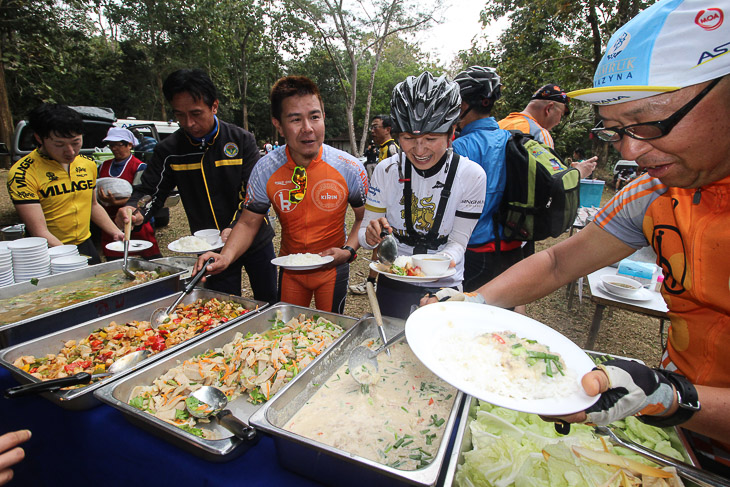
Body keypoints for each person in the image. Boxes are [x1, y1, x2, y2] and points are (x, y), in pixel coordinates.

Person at [424, 0, 730, 474]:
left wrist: (673, 396)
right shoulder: (653, 194)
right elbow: (558, 264)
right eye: (615, 131)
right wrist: (474, 302)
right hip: (690, 423)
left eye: (648, 122)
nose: (630, 149)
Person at [197, 75, 368, 313]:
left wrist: (348, 251)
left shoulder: (348, 167)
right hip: (290, 270)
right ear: (278, 124)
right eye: (295, 119)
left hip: (332, 269)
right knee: (287, 335)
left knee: (330, 334)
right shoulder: (265, 168)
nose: (308, 128)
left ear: (324, 117)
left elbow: (364, 217)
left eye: (315, 117)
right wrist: (225, 257)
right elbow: (248, 222)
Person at [118, 69, 276, 300]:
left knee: (268, 297)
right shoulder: (169, 150)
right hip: (209, 244)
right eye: (180, 115)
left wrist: (234, 225)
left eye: (196, 113)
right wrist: (136, 210)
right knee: (223, 303)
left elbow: (252, 194)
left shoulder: (240, 140)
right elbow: (150, 191)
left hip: (254, 237)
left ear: (214, 106)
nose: (189, 123)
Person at [359, 72, 486, 319]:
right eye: (408, 138)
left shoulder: (472, 176)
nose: (419, 150)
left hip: (444, 286)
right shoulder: (386, 170)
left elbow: (459, 243)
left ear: (452, 133)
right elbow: (365, 238)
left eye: (431, 138)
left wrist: (432, 265)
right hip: (394, 282)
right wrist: (372, 234)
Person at [7, 104, 123, 264]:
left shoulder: (87, 164)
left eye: (76, 142)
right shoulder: (23, 173)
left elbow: (93, 206)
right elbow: (39, 231)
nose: (70, 151)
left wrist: (115, 231)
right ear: (39, 138)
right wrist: (70, 257)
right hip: (48, 251)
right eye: (59, 145)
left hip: (85, 244)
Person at [451, 66, 524, 293]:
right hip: (513, 246)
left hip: (476, 249)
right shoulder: (513, 139)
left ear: (463, 105)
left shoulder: (460, 147)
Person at [349, 115, 401, 295]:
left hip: (389, 208)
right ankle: (372, 281)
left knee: (380, 243)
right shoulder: (382, 148)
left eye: (376, 127)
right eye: (371, 127)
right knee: (375, 241)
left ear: (388, 129)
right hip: (378, 203)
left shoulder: (393, 149)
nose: (373, 130)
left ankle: (373, 281)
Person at [97, 127, 162, 260]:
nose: (114, 148)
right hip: (110, 221)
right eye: (111, 145)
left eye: (118, 145)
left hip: (135, 219)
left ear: (130, 145)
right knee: (115, 257)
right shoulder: (103, 166)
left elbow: (144, 196)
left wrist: (117, 203)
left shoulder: (139, 167)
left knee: (148, 256)